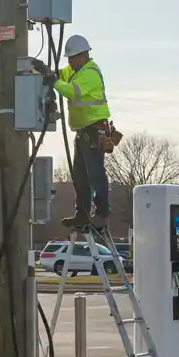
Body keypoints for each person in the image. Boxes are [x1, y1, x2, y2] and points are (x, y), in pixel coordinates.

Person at [47, 34, 111, 228]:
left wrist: (53, 82)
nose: (69, 62)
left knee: (95, 173)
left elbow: (71, 91)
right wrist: (40, 70)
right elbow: (60, 75)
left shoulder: (90, 73)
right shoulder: (75, 70)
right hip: (82, 132)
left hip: (94, 131)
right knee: (80, 176)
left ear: (82, 55)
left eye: (71, 58)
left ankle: (101, 213)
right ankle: (82, 212)